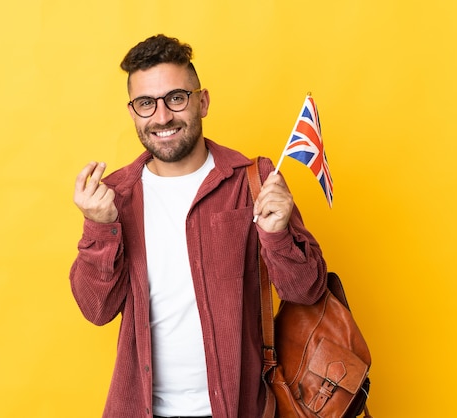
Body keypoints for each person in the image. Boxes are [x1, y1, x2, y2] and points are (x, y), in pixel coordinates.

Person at [69, 34, 327, 418]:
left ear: (201, 101)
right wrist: (98, 229)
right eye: (146, 104)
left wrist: (277, 236)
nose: (162, 117)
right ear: (133, 112)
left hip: (240, 408)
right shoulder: (116, 197)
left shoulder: (253, 180)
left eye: (176, 98)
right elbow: (96, 310)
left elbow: (306, 291)